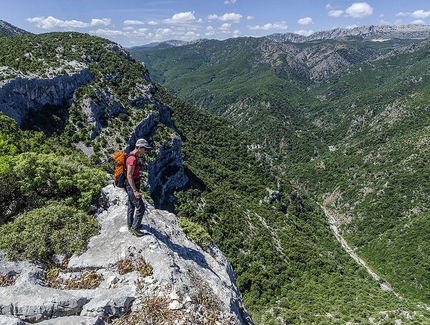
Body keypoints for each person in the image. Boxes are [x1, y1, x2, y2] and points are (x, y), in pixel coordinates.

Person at [125, 138, 152, 237]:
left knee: (131, 205)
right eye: (145, 149)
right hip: (132, 185)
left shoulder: (134, 156)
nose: (145, 151)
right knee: (141, 207)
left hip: (133, 184)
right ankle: (135, 228)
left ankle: (130, 224)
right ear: (140, 147)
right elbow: (129, 176)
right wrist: (135, 190)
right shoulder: (132, 159)